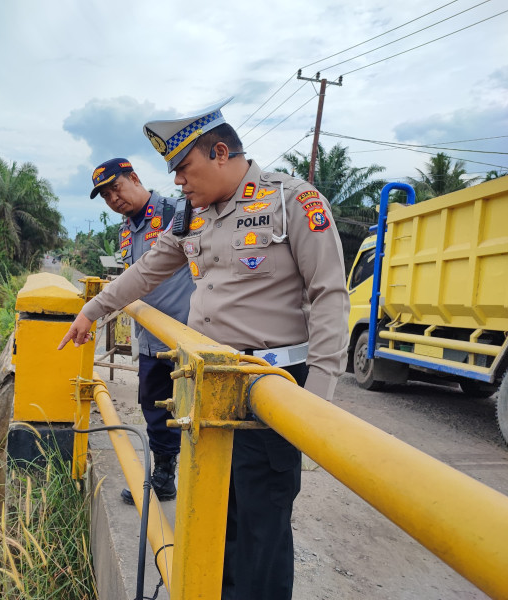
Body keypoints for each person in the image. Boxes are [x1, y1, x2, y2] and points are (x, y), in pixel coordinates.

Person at [60, 98, 349, 599]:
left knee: (262, 523)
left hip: (272, 390)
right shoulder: (193, 217)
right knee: (220, 513)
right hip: (210, 389)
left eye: (185, 169)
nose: (178, 182)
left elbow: (329, 296)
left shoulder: (292, 201)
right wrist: (93, 311)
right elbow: (149, 268)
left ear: (220, 153)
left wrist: (316, 405)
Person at [88, 157, 195, 505]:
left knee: (194, 412)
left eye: (115, 188)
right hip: (149, 339)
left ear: (134, 178)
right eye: (105, 196)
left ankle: (201, 482)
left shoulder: (174, 211)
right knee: (154, 407)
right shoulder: (124, 230)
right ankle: (164, 476)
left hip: (187, 337)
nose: (113, 199)